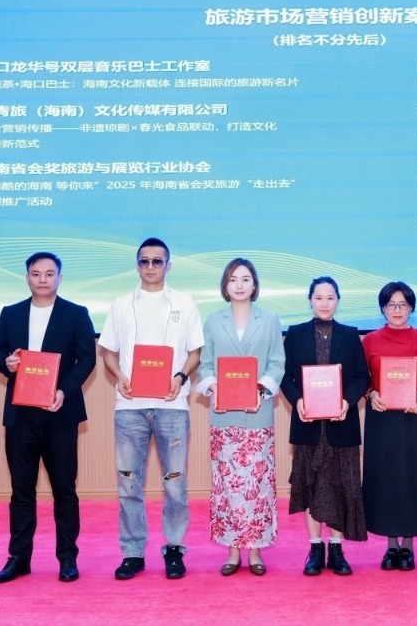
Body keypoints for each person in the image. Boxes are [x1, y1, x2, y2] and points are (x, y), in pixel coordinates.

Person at [98, 237, 203, 580]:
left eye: (158, 261)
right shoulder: (120, 305)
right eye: (144, 261)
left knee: (175, 484)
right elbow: (108, 353)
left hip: (173, 406)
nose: (151, 267)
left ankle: (174, 549)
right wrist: (119, 376)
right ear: (137, 265)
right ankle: (132, 552)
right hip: (130, 407)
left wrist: (180, 376)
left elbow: (195, 352)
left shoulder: (185, 303)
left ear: (168, 266)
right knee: (129, 483)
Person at [0, 252, 97, 584]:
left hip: (59, 413)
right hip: (21, 414)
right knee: (21, 490)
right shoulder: (11, 313)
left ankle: (67, 558)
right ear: (27, 278)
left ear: (60, 278)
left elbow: (87, 359)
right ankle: (19, 558)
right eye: (36, 274)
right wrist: (6, 363)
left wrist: (64, 390)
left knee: (64, 489)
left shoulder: (76, 314)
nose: (43, 279)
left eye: (50, 274)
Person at [196, 258, 285, 577]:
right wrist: (215, 388)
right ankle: (233, 551)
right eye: (233, 279)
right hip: (224, 417)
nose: (239, 284)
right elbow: (205, 365)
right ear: (225, 284)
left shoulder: (270, 319)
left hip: (258, 414)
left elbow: (277, 363)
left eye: (245, 279)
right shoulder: (213, 320)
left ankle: (256, 550)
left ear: (254, 284)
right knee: (228, 487)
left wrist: (259, 389)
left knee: (258, 485)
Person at [281, 276, 370, 576]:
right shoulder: (295, 334)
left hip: (341, 423)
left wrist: (347, 401)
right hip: (308, 424)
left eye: (330, 298)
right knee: (311, 484)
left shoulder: (350, 335)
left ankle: (337, 547)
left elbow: (362, 376)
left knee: (341, 485)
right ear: (310, 300)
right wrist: (297, 400)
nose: (324, 303)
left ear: (338, 301)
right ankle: (315, 548)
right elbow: (285, 377)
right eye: (319, 297)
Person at [362, 281, 417, 571]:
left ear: (411, 308)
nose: (397, 310)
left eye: (403, 305)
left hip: (411, 417)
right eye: (391, 304)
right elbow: (361, 378)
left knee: (410, 478)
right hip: (381, 419)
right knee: (384, 479)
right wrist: (370, 394)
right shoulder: (369, 340)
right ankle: (390, 546)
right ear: (383, 308)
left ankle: (408, 545)